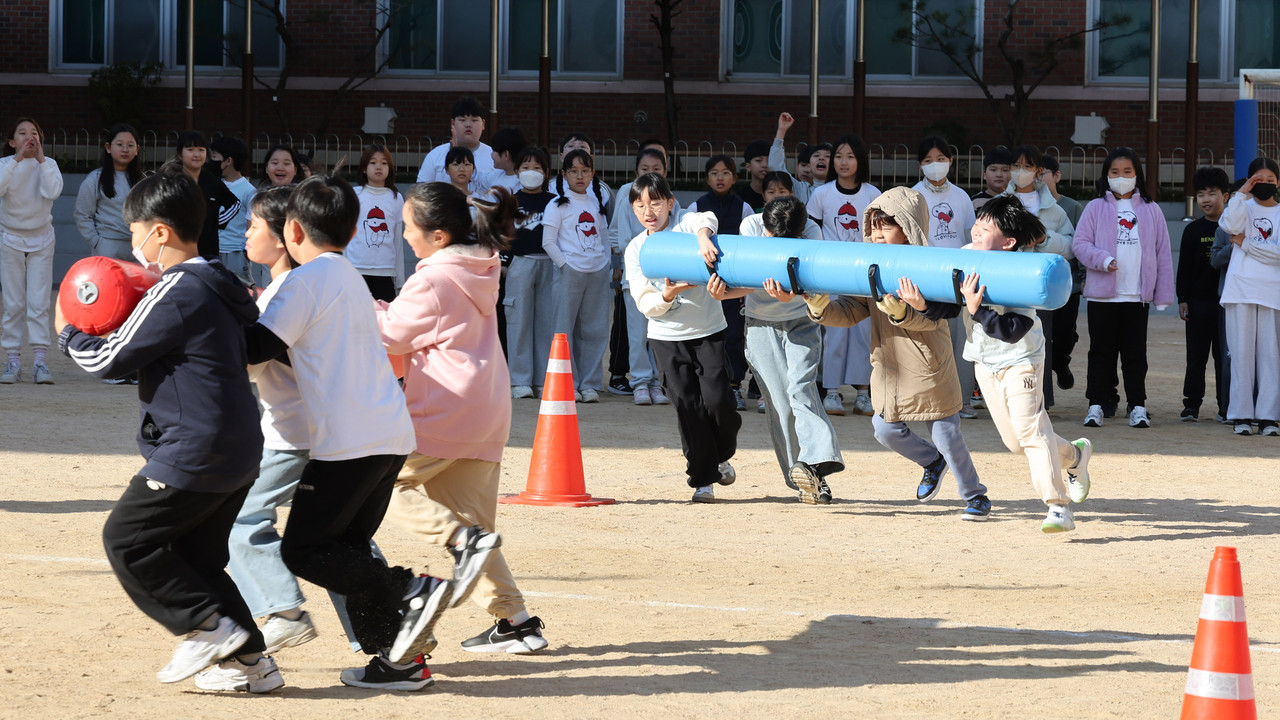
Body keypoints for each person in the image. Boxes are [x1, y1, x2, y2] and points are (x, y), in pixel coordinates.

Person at [55, 170, 282, 691]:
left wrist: (68, 334)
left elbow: (109, 359)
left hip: (196, 446)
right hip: (239, 445)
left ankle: (205, 628)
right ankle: (252, 663)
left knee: (127, 540)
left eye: (135, 231)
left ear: (159, 232)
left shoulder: (177, 289)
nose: (133, 243)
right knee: (196, 557)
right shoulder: (221, 282)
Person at [246, 175, 459, 682]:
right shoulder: (348, 274)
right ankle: (398, 660)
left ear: (293, 230)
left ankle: (411, 588)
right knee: (347, 549)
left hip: (349, 443)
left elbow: (254, 349)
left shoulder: (303, 282)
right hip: (389, 435)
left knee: (304, 550)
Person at [376, 182, 546, 665]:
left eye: (408, 227)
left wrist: (359, 305)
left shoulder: (433, 278)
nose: (404, 235)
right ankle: (516, 622)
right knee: (477, 528)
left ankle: (460, 540)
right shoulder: (480, 266)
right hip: (486, 408)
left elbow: (391, 335)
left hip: (445, 407)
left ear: (438, 235)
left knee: (380, 483)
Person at [799, 187, 991, 518]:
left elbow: (935, 320)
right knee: (884, 429)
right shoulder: (869, 267)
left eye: (886, 226)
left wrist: (905, 313)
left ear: (908, 227)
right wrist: (821, 309)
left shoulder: (928, 266)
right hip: (890, 367)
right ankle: (932, 462)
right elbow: (851, 310)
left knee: (947, 435)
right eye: (873, 227)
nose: (877, 234)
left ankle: (975, 495)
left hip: (929, 365)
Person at [222, 184, 324, 662]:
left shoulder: (284, 294)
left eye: (254, 225)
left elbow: (250, 364)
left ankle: (284, 611)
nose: (245, 233)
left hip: (291, 434)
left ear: (284, 237)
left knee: (243, 519)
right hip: (320, 429)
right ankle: (389, 627)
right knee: (334, 541)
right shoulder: (305, 286)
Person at [959, 195, 1094, 532]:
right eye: (977, 222)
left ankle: (1058, 506)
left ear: (1008, 242)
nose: (976, 230)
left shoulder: (1021, 272)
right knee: (1016, 443)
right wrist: (918, 305)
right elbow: (945, 305)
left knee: (1031, 432)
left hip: (1021, 359)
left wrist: (978, 311)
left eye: (986, 227)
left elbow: (1013, 330)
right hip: (984, 361)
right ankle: (1076, 457)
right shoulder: (963, 256)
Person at [718, 196, 844, 504]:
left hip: (802, 319)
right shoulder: (751, 226)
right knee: (780, 405)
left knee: (802, 389)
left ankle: (817, 464)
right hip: (761, 323)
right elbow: (746, 277)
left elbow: (816, 282)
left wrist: (793, 295)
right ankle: (803, 480)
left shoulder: (812, 231)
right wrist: (726, 292)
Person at [624, 172, 738, 502]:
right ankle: (703, 478)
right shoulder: (636, 248)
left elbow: (706, 217)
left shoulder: (685, 225)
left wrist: (703, 238)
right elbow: (644, 302)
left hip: (708, 331)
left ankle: (720, 455)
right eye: (640, 205)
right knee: (688, 407)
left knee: (720, 403)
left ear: (670, 203)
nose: (648, 211)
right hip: (665, 338)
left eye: (656, 203)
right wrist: (668, 295)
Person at [1072, 147, 1174, 429]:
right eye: (1114, 172)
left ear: (1137, 174)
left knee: (1135, 355)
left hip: (1136, 297)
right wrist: (1103, 260)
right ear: (1106, 176)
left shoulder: (1152, 210)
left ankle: (1138, 406)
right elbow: (1080, 244)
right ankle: (1095, 405)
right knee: (1100, 353)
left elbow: (1162, 253)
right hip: (1103, 298)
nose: (1121, 177)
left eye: (1127, 171)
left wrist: (1163, 294)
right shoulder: (1095, 208)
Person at [806, 134, 880, 417]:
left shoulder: (872, 194)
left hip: (863, 274)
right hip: (830, 273)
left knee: (864, 333)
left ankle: (863, 394)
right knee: (834, 333)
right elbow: (811, 232)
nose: (843, 162)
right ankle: (832, 392)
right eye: (838, 156)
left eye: (850, 156)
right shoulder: (821, 194)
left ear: (860, 160)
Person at [1000, 144, 1076, 408]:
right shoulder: (1000, 205)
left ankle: (1041, 400)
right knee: (1007, 341)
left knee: (1040, 342)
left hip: (1040, 285)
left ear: (1038, 171)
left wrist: (1044, 240)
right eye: (1015, 166)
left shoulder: (1053, 209)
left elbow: (1070, 246)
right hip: (1006, 283)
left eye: (1027, 166)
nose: (1020, 171)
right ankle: (1006, 400)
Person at [912, 135, 978, 417]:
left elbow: (971, 236)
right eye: (928, 160)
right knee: (930, 339)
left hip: (959, 279)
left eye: (940, 159)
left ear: (951, 161)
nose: (935, 165)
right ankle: (934, 400)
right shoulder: (914, 196)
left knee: (962, 340)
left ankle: (962, 400)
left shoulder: (961, 197)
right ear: (920, 165)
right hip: (927, 279)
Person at [1216, 157, 1280, 436]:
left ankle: (1268, 417)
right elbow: (1230, 226)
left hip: (1272, 292)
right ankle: (1240, 415)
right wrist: (1241, 194)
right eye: (1258, 180)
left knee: (1270, 356)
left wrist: (1247, 244)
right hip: (1240, 290)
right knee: (1241, 355)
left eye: (1270, 180)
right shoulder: (1241, 206)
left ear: (1278, 183)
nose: (1264, 184)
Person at [608, 147, 676, 405]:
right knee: (637, 333)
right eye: (645, 169)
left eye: (656, 169)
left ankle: (657, 383)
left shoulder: (669, 198)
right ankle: (639, 382)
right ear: (636, 170)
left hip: (662, 274)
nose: (650, 173)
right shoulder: (627, 192)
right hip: (635, 273)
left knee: (657, 331)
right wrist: (620, 266)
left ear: (666, 171)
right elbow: (619, 235)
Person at [542, 149, 611, 402]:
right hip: (569, 273)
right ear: (564, 174)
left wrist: (604, 264)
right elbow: (548, 242)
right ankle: (566, 382)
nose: (580, 176)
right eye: (574, 171)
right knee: (563, 329)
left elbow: (604, 238)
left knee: (594, 330)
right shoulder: (557, 204)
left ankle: (590, 384)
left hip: (597, 272)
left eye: (585, 171)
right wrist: (565, 265)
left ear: (593, 173)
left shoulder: (596, 202)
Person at [689, 155, 755, 410]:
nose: (720, 177)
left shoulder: (744, 208)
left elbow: (749, 246)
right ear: (707, 178)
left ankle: (734, 386)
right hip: (702, 281)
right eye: (714, 173)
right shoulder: (696, 207)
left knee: (733, 335)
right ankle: (706, 387)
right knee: (704, 334)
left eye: (726, 173)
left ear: (735, 178)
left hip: (733, 282)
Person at [0, 117, 63, 386]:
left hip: (42, 238)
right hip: (10, 237)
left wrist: (41, 161)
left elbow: (52, 191)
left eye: (34, 133)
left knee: (39, 302)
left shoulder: (49, 165)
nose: (29, 137)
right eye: (22, 133)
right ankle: (13, 360)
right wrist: (17, 160)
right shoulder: (5, 164)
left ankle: (40, 361)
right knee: (13, 302)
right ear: (12, 141)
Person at [1176, 167, 1230, 423]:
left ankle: (1225, 406)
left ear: (1226, 196)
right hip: (1198, 304)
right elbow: (1184, 268)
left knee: (1224, 358)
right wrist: (1183, 298)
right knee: (1196, 357)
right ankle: (1191, 405)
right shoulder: (1192, 231)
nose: (1206, 200)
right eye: (1200, 194)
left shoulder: (1233, 229)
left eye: (1212, 193)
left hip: (1226, 303)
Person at [507, 147, 558, 399]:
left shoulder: (555, 202)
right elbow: (501, 235)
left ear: (546, 172)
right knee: (518, 321)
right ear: (516, 171)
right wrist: (504, 263)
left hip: (550, 264)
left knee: (547, 323)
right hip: (520, 263)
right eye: (525, 167)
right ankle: (520, 380)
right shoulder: (510, 201)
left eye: (537, 168)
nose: (531, 172)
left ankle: (542, 380)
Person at [1039, 154, 1085, 390]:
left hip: (1068, 283)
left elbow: (1081, 243)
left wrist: (1084, 278)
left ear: (1057, 176)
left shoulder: (1072, 207)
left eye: (1042, 174)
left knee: (1066, 333)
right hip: (1038, 284)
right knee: (1040, 334)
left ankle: (1061, 361)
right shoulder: (1029, 206)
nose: (1037, 179)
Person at [74, 123, 143, 262]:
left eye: (130, 145)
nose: (125, 149)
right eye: (120, 144)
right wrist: (96, 242)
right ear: (108, 147)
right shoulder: (95, 179)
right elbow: (82, 214)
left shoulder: (143, 181)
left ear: (137, 150)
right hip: (107, 245)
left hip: (138, 248)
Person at [169, 130, 240, 260]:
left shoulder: (213, 182)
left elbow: (235, 204)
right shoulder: (171, 181)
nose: (197, 154)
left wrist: (216, 221)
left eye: (201, 150)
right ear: (180, 154)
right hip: (177, 251)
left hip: (208, 252)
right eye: (190, 150)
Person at [350, 143, 406, 302]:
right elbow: (346, 235)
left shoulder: (396, 198)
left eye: (384, 163)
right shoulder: (355, 195)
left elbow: (398, 240)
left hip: (386, 271)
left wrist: (400, 280)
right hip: (357, 270)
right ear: (364, 168)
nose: (378, 167)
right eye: (373, 162)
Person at [416, 97, 495, 192]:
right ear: (452, 123)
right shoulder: (435, 155)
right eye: (462, 120)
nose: (468, 125)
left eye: (474, 120)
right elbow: (421, 191)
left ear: (483, 124)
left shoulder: (493, 157)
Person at [209, 136, 257, 288]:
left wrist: (246, 251)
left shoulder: (248, 190)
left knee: (237, 289)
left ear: (228, 161)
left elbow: (251, 222)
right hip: (213, 249)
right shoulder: (213, 184)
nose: (211, 161)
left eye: (214, 157)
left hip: (235, 251)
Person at [768, 112, 829, 202]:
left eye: (827, 156)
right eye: (816, 155)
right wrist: (781, 131)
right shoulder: (800, 189)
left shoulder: (840, 190)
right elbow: (775, 165)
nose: (821, 158)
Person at [479, 126, 526, 193]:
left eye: (494, 150)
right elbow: (478, 178)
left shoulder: (522, 183)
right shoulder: (495, 175)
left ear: (506, 154)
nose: (491, 154)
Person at [738, 140, 771, 211]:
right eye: (758, 160)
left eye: (769, 160)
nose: (765, 165)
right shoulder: (740, 198)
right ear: (748, 166)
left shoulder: (779, 195)